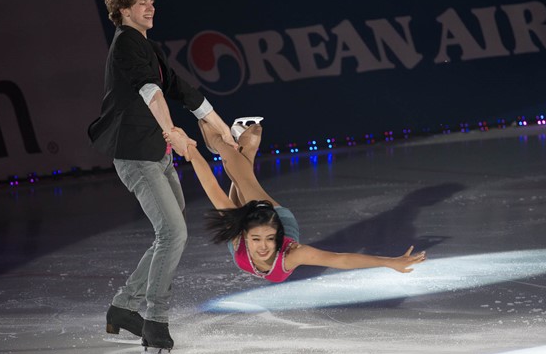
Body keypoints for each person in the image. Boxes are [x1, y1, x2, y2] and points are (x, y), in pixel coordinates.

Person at [87, 0, 236, 351]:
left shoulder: (147, 46)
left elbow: (179, 88)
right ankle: (155, 320)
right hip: (136, 154)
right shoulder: (125, 44)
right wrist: (172, 132)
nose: (150, 7)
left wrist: (222, 128)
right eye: (142, 3)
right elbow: (150, 91)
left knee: (170, 234)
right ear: (124, 11)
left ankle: (123, 307)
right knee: (172, 233)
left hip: (156, 152)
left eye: (151, 1)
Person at [163, 120, 427, 283]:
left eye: (269, 238)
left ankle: (244, 151)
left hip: (268, 219)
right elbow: (210, 185)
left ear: (277, 235)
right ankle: (221, 142)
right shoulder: (239, 232)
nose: (264, 247)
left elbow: (340, 260)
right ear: (244, 235)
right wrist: (189, 148)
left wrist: (389, 262)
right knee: (244, 180)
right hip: (269, 215)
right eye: (257, 239)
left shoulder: (290, 254)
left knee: (242, 180)